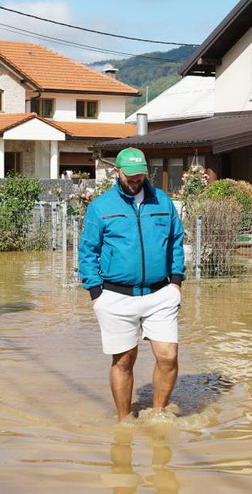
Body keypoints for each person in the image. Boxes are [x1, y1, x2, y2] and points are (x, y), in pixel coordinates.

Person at [79, 148, 185, 421]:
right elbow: (88, 250)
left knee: (168, 356)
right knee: (124, 360)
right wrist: (95, 293)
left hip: (160, 293)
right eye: (130, 176)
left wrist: (176, 283)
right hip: (115, 296)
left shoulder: (162, 202)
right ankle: (124, 421)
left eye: (140, 176)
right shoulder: (100, 207)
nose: (136, 180)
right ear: (117, 173)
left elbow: (176, 241)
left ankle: (158, 414)